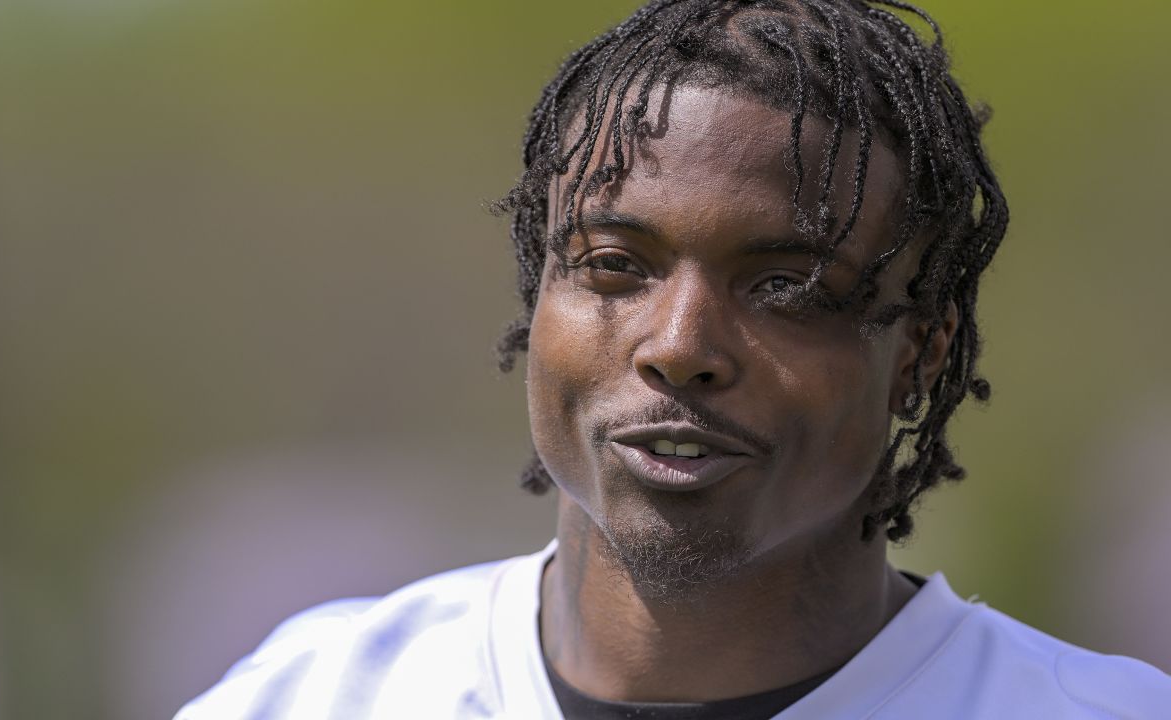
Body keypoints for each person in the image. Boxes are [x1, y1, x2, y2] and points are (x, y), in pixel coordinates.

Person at [176, 1, 1171, 717]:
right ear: (539, 297)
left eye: (785, 285)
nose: (680, 346)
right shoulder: (319, 695)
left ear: (919, 352)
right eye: (614, 265)